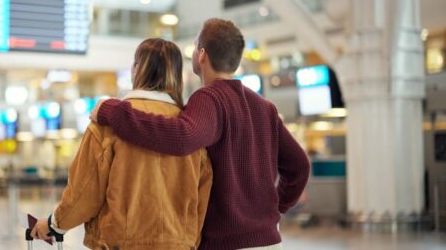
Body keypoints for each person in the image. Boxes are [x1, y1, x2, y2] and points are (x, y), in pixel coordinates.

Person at [91, 18, 310, 250]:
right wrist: (276, 208)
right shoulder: (264, 107)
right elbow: (299, 166)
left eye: (195, 46)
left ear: (202, 55)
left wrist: (112, 110)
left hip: (226, 242)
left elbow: (181, 137)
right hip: (270, 240)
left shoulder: (209, 98)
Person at [31, 38, 213, 250]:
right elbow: (202, 202)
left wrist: (55, 225)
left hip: (120, 244)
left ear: (136, 69)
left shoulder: (106, 123)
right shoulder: (190, 130)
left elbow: (84, 191)